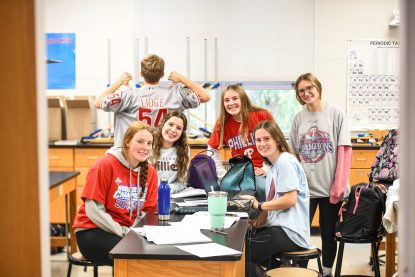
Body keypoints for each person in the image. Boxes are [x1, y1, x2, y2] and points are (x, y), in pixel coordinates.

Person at [289, 73, 352, 277]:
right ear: (298, 95)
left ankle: (326, 272)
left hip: (329, 188)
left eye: (310, 88)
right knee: (300, 234)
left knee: (327, 234)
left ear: (318, 87)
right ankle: (300, 272)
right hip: (305, 189)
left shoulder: (336, 113)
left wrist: (339, 186)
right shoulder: (298, 118)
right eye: (301, 90)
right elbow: (294, 155)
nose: (306, 93)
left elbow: (344, 151)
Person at [73, 121, 158, 266]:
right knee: (131, 255)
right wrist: (123, 232)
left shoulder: (150, 173)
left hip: (127, 231)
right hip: (93, 230)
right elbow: (93, 210)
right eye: (140, 141)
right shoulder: (104, 165)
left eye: (149, 143)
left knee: (153, 252)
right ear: (127, 142)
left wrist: (134, 230)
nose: (145, 147)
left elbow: (147, 211)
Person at [243, 120, 312, 277]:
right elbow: (269, 211)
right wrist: (249, 225)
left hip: (290, 233)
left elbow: (290, 200)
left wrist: (259, 205)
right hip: (280, 230)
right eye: (258, 140)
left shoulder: (285, 161)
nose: (262, 144)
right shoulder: (273, 168)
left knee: (240, 258)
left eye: (267, 139)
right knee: (244, 251)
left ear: (278, 140)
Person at [94, 54, 211, 148]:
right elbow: (205, 96)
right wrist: (181, 78)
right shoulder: (175, 94)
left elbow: (97, 102)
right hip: (161, 154)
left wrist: (119, 82)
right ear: (162, 74)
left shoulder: (128, 95)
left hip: (131, 154)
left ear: (141, 74)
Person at [207, 84, 275, 201]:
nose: (231, 103)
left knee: (263, 189)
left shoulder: (261, 115)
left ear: (243, 98)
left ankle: (266, 219)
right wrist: (222, 174)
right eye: (227, 100)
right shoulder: (222, 122)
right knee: (221, 194)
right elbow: (211, 150)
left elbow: (275, 142)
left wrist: (266, 168)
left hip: (261, 170)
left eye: (235, 98)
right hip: (241, 173)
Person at [151, 111, 189, 194]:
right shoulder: (149, 144)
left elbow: (182, 182)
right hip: (147, 194)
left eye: (179, 128)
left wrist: (166, 189)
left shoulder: (184, 150)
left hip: (168, 194)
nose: (173, 130)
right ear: (163, 124)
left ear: (182, 132)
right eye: (170, 124)